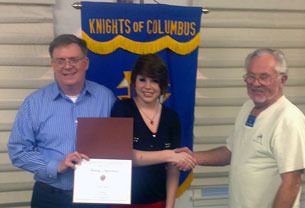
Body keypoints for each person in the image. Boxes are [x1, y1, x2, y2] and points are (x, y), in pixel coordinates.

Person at [192, 48, 305, 207]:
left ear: (282, 80)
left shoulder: (288, 120)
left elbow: (292, 183)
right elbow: (231, 152)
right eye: (251, 77)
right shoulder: (247, 107)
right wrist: (190, 157)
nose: (256, 83)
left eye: (264, 77)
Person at [7, 34, 116, 208]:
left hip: (96, 196)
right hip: (50, 197)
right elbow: (18, 151)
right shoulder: (34, 103)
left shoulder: (106, 98)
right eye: (60, 60)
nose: (67, 66)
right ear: (53, 65)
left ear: (85, 63)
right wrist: (55, 166)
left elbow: (117, 143)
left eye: (74, 60)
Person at [110, 54, 196, 208]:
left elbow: (173, 168)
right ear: (134, 82)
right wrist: (169, 155)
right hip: (124, 202)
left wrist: (169, 206)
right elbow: (123, 156)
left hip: (158, 201)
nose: (148, 87)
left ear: (162, 85)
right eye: (142, 79)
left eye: (155, 81)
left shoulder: (171, 117)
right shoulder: (122, 108)